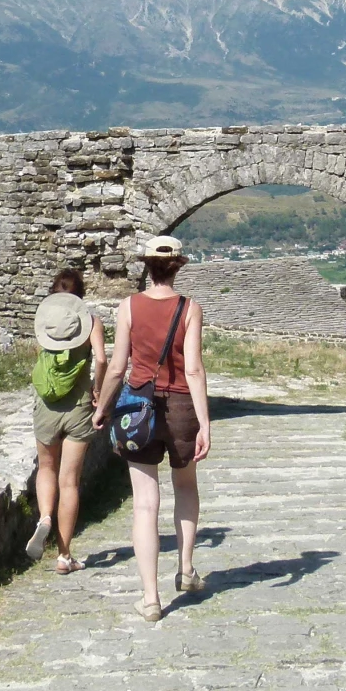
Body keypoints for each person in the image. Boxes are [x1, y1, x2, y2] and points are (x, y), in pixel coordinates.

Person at [92, 235, 211, 621]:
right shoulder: (190, 308)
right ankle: (186, 568)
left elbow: (116, 366)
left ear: (145, 266)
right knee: (186, 487)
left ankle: (150, 598)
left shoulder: (127, 306)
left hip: (137, 406)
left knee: (144, 503)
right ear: (178, 266)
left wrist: (103, 406)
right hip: (180, 407)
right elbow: (192, 368)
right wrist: (204, 420)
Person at [26, 268, 106, 574]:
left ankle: (45, 516)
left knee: (46, 466)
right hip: (79, 407)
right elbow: (100, 359)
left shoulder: (47, 322)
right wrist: (98, 389)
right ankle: (64, 555)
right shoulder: (92, 324)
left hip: (47, 405)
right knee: (69, 480)